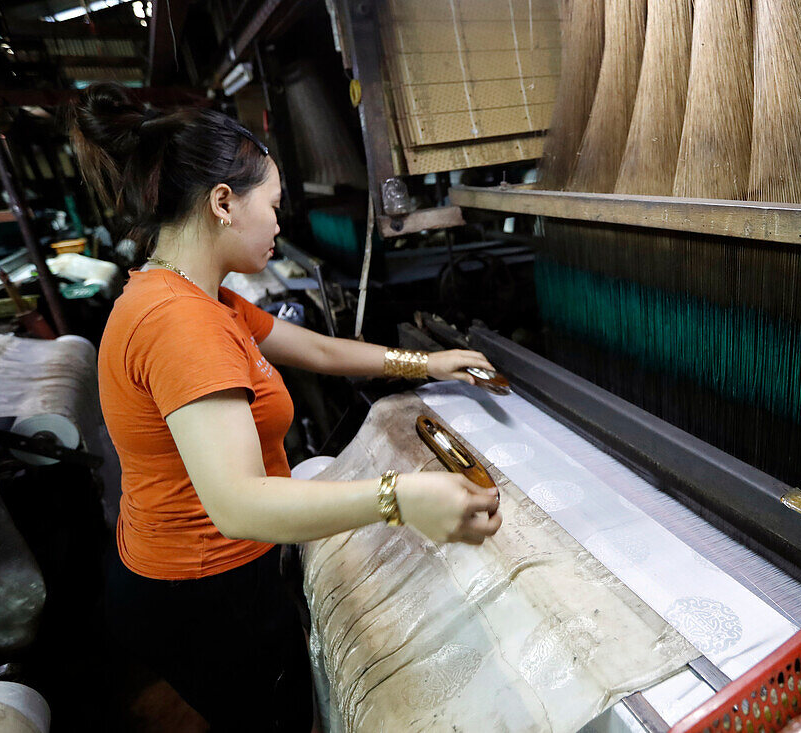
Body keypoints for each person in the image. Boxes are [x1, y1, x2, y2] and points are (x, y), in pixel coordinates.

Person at [71, 82, 503, 731]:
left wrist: (429, 362)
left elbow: (322, 352)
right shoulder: (181, 323)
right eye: (271, 205)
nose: (280, 223)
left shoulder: (195, 295)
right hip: (205, 593)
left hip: (179, 575)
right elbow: (240, 503)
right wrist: (402, 497)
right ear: (223, 202)